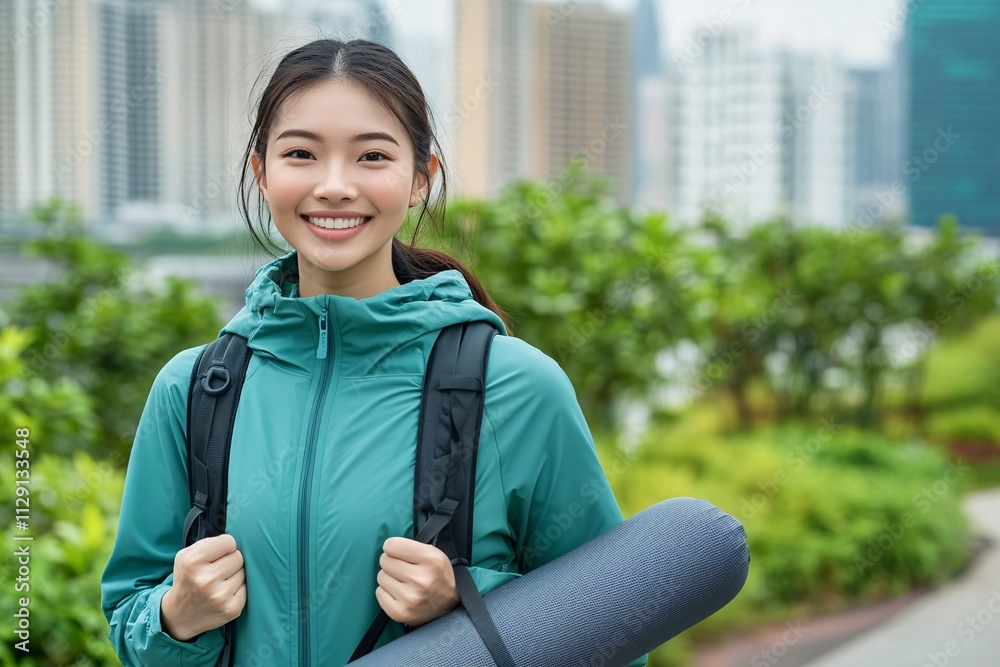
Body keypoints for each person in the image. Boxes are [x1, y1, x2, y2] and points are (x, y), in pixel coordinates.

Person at [101, 38, 647, 666]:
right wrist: (175, 617)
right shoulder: (197, 389)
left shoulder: (516, 387)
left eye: (372, 156)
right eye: (301, 153)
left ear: (421, 178)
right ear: (261, 171)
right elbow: (129, 611)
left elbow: (616, 629)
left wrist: (469, 601)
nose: (334, 186)